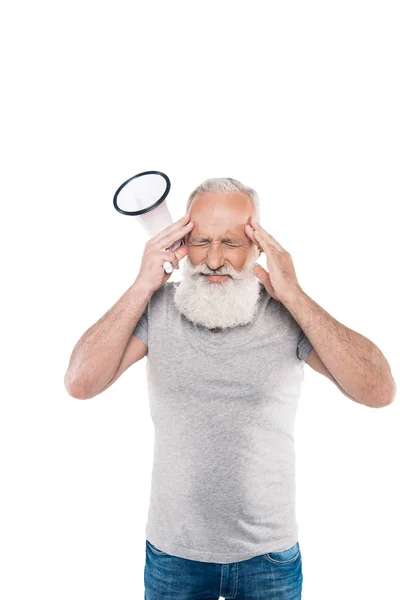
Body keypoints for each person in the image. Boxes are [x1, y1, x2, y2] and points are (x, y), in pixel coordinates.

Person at [65, 177, 396, 600]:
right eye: (201, 241)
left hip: (269, 557)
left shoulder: (288, 314)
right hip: (174, 554)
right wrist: (142, 284)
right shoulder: (157, 310)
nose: (215, 260)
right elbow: (79, 383)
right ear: (182, 241)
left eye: (231, 242)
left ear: (258, 245)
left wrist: (295, 295)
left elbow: (379, 390)